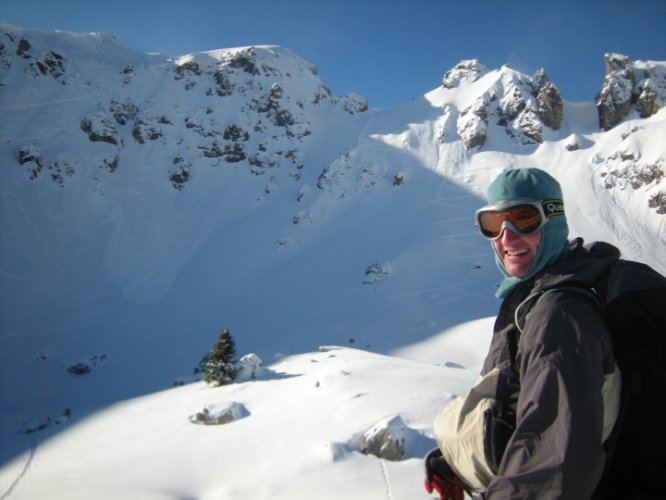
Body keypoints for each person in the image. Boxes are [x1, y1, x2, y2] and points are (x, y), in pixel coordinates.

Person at [426, 167, 622, 499]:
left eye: (523, 218)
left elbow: (554, 465)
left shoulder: (559, 316)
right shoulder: (538, 296)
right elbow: (520, 408)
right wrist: (457, 461)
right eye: (493, 223)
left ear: (554, 219)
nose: (507, 236)